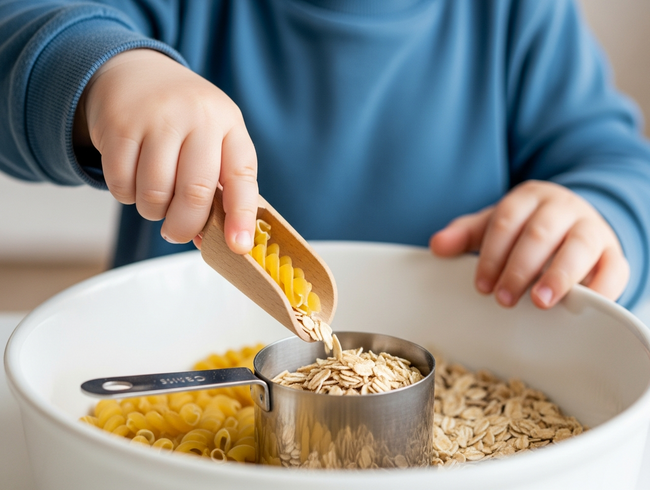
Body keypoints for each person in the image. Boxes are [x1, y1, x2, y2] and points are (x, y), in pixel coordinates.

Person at [1, 0, 649, 311]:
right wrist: (105, 76)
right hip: (174, 387)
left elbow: (616, 162)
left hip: (469, 402)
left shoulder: (520, 17)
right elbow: (21, 36)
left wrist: (596, 218)